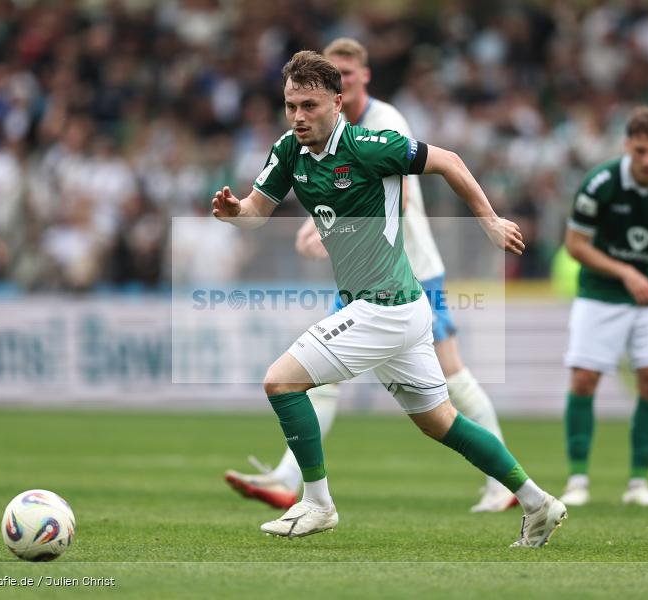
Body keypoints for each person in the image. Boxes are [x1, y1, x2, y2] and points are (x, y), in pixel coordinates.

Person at [212, 50, 567, 547]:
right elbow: (256, 211)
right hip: (398, 308)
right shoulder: (289, 150)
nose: (298, 117)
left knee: (281, 382)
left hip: (384, 308)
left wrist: (488, 221)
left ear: (337, 103)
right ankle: (537, 501)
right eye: (291, 105)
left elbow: (449, 161)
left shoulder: (369, 145)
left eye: (310, 106)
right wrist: (234, 212)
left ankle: (317, 503)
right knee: (441, 422)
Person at [560, 106, 648, 507]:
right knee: (584, 379)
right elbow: (575, 245)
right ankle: (577, 480)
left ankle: (639, 483)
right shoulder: (600, 183)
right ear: (627, 146)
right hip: (599, 293)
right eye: (641, 151)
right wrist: (625, 272)